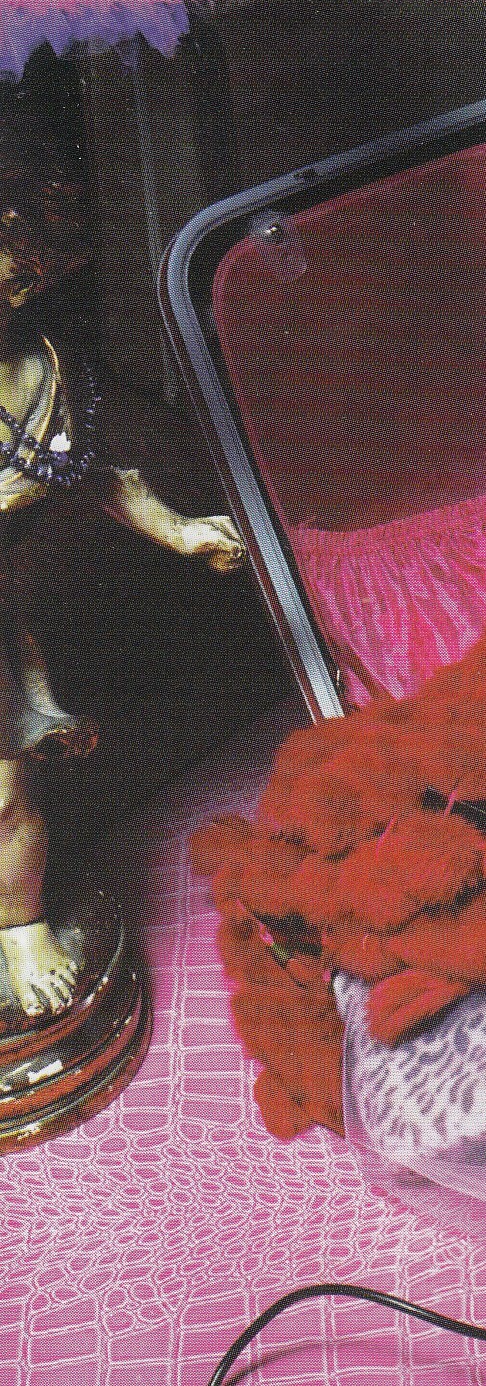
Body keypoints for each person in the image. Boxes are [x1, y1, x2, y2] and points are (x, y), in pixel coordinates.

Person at [0, 120, 245, 1017]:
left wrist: (180, 532)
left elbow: (96, 474)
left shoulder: (41, 368)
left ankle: (18, 924)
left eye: (18, 263)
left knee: (5, 794)